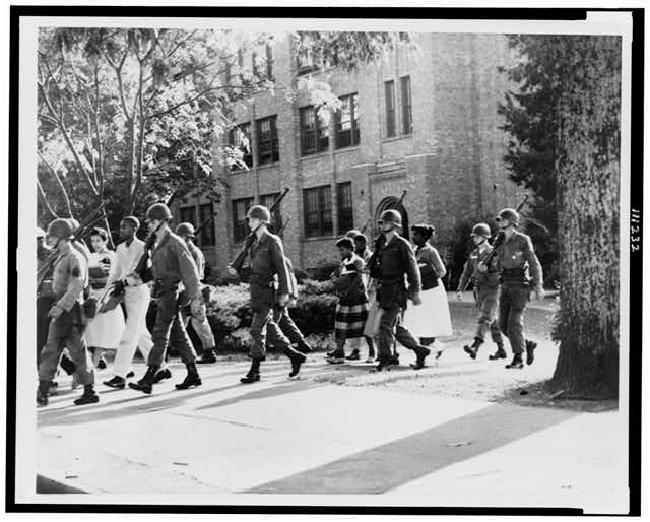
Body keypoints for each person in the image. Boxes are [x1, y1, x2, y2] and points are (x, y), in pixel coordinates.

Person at [128, 203, 203, 394]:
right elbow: (154, 270)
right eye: (149, 222)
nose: (149, 225)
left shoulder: (175, 242)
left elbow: (190, 272)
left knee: (160, 333)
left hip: (171, 292)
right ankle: (193, 373)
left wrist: (193, 298)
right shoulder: (154, 243)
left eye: (152, 221)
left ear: (163, 222)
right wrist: (136, 279)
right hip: (161, 291)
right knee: (178, 334)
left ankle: (150, 375)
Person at [239, 205, 306, 383]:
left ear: (262, 221)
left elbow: (282, 268)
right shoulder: (253, 242)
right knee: (270, 330)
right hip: (256, 290)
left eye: (252, 219)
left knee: (256, 330)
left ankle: (255, 370)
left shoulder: (272, 241)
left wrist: (285, 292)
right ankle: (294, 355)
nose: (249, 222)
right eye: (249, 219)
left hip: (268, 292)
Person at [37, 218, 98, 406]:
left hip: (72, 311)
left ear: (61, 237)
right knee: (50, 351)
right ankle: (43, 391)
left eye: (52, 236)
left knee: (78, 352)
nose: (49, 239)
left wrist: (60, 306)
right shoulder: (60, 256)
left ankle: (90, 391)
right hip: (61, 310)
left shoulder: (74, 257)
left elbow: (77, 285)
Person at [103, 216, 169, 389]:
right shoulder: (119, 248)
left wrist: (125, 282)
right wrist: (108, 289)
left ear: (134, 228)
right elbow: (116, 271)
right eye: (121, 227)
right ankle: (161, 368)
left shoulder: (143, 247)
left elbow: (145, 273)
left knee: (129, 336)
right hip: (125, 294)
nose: (122, 230)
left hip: (139, 294)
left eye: (125, 227)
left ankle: (119, 375)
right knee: (140, 334)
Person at [368, 209, 431, 371]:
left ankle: (385, 359)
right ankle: (419, 350)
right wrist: (376, 249)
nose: (383, 225)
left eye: (387, 222)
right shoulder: (382, 244)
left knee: (385, 324)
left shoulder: (401, 244)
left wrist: (415, 291)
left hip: (396, 291)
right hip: (384, 290)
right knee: (397, 328)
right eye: (381, 222)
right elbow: (374, 269)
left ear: (395, 225)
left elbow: (413, 269)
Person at [483, 208, 543, 369]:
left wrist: (538, 284)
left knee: (514, 324)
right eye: (500, 220)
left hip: (520, 287)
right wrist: (487, 267)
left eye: (502, 220)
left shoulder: (523, 240)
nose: (500, 223)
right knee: (503, 326)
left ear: (511, 222)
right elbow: (496, 264)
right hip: (506, 285)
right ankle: (527, 344)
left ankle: (518, 359)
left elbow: (533, 262)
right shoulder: (499, 241)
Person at [456, 222, 505, 360]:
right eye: (474, 237)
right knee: (491, 319)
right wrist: (460, 289)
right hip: (479, 291)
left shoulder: (494, 253)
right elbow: (466, 273)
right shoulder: (473, 254)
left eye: (477, 237)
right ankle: (501, 349)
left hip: (492, 290)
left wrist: (488, 270)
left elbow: (500, 273)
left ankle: (475, 345)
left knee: (484, 317)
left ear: (485, 237)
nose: (474, 239)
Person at [402, 224, 452, 356]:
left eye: (416, 235)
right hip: (419, 290)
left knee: (428, 320)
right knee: (419, 321)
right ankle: (432, 348)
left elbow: (442, 271)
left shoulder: (431, 251)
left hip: (431, 291)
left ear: (424, 237)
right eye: (413, 235)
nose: (413, 237)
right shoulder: (414, 250)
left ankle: (427, 351)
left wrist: (427, 274)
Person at [175, 222, 218, 365]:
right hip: (184, 290)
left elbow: (196, 275)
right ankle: (183, 351)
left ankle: (209, 352)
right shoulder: (184, 251)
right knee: (181, 321)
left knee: (199, 320)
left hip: (194, 290)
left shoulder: (194, 253)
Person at [84, 227, 125, 369]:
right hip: (93, 295)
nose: (95, 244)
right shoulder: (91, 256)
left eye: (98, 241)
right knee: (96, 334)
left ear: (105, 241)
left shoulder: (110, 256)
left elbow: (113, 276)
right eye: (93, 241)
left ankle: (124, 367)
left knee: (112, 333)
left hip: (106, 295)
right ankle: (97, 364)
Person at [325, 237, 369, 364]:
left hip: (356, 298)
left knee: (360, 326)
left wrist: (347, 290)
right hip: (344, 299)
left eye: (343, 250)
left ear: (350, 249)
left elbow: (359, 278)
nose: (341, 253)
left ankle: (365, 352)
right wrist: (336, 283)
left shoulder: (358, 261)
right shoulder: (343, 263)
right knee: (340, 326)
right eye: (339, 251)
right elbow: (338, 278)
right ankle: (339, 351)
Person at [270, 255, 312, 355]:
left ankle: (280, 344)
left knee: (273, 320)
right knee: (284, 320)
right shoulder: (283, 260)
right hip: (282, 294)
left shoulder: (277, 260)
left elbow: (279, 279)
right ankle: (301, 343)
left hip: (277, 294)